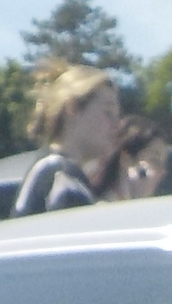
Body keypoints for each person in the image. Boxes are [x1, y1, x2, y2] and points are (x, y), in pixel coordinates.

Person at [10, 61, 120, 217]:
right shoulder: (60, 176)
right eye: (108, 113)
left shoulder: (55, 171)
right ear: (72, 108)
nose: (116, 124)